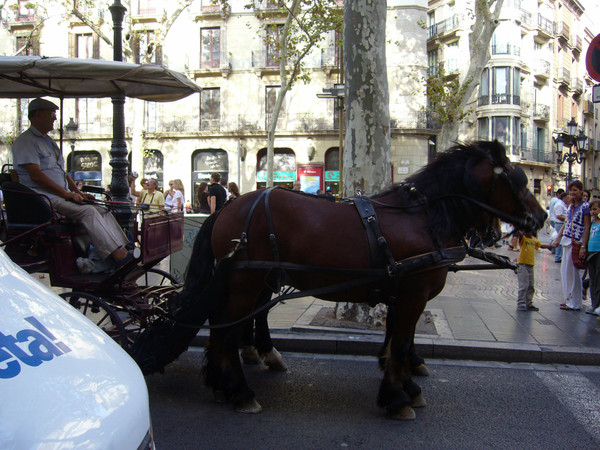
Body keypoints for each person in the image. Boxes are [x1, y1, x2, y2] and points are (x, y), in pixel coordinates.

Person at [11, 98, 132, 268]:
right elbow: (36, 175)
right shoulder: (25, 141)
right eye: (51, 113)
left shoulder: (48, 141)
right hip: (42, 197)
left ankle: (125, 249)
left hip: (59, 194)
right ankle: (117, 256)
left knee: (102, 208)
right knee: (88, 212)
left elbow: (62, 172)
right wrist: (67, 194)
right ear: (37, 115)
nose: (55, 118)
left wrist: (77, 192)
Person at [552, 180, 591, 311]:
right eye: (571, 190)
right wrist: (557, 238)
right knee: (565, 272)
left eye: (575, 190)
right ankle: (568, 299)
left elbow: (587, 226)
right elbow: (566, 224)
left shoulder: (585, 207)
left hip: (577, 242)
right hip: (567, 241)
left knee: (574, 274)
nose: (573, 193)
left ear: (581, 191)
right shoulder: (571, 206)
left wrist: (584, 246)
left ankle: (575, 302)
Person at [515, 230, 552, 311]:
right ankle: (520, 303)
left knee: (531, 285)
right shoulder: (524, 239)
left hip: (531, 265)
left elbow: (541, 246)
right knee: (523, 285)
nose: (528, 232)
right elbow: (520, 234)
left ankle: (529, 303)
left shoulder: (534, 240)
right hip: (522, 265)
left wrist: (551, 246)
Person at [586, 200, 600, 316]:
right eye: (591, 210)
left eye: (595, 209)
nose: (593, 212)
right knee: (592, 280)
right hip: (591, 252)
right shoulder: (592, 223)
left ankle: (598, 305)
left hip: (598, 253)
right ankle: (594, 304)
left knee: (598, 279)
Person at [552, 191, 569, 263]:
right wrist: (567, 219)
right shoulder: (559, 204)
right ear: (564, 198)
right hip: (560, 224)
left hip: (561, 223)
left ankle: (559, 256)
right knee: (560, 241)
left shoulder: (563, 204)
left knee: (560, 240)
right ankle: (558, 257)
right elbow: (558, 216)